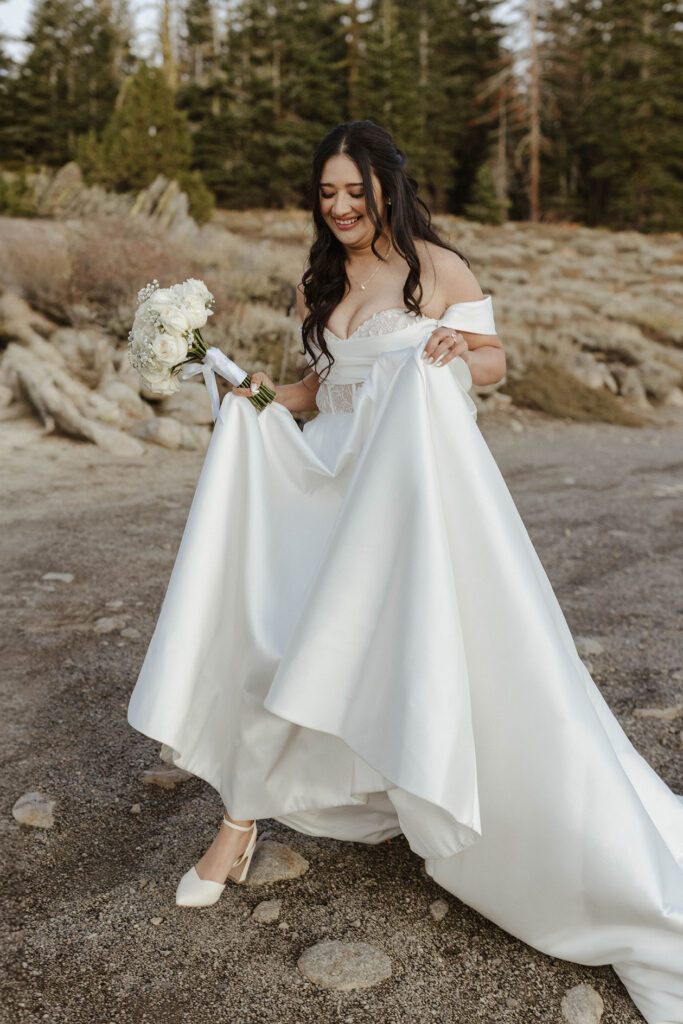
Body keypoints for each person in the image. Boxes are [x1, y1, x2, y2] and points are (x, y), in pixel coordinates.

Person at [128, 121, 683, 1024]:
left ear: (388, 185)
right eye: (327, 194)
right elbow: (316, 393)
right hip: (330, 491)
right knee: (276, 644)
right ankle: (237, 824)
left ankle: (415, 788)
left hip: (408, 505)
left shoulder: (437, 269)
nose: (341, 209)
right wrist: (245, 394)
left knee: (387, 655)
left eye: (356, 191)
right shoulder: (322, 280)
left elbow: (495, 367)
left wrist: (460, 353)